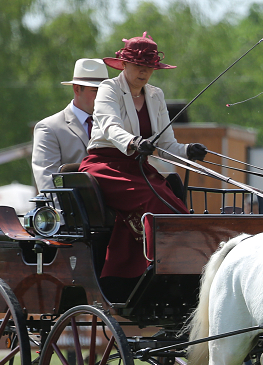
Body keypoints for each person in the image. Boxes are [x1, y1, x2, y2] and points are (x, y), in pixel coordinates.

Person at [81, 32, 208, 301]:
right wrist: (135, 143)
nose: (144, 72)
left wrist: (187, 150)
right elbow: (109, 125)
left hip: (138, 167)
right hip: (105, 165)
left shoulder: (156, 95)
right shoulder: (108, 89)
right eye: (139, 65)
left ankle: (184, 272)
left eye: (149, 67)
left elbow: (167, 144)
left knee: (177, 207)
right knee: (155, 201)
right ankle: (160, 267)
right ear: (123, 65)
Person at [31, 58, 109, 192]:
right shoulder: (49, 128)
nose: (102, 97)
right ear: (77, 89)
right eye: (95, 90)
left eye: (105, 91)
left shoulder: (113, 125)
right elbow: (49, 185)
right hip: (72, 210)